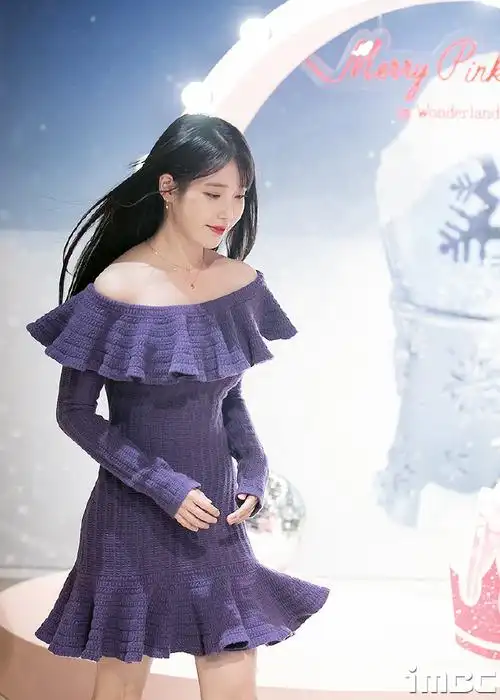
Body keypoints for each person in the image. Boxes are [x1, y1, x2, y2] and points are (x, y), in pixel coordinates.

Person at [26, 113, 330, 700]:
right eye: (213, 194)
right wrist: (162, 485)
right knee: (118, 689)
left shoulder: (239, 282)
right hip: (131, 520)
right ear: (168, 187)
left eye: (239, 196)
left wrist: (254, 470)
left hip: (215, 521)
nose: (228, 212)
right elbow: (75, 413)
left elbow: (227, 394)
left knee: (235, 683)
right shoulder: (117, 287)